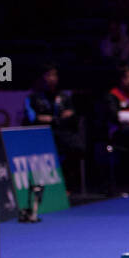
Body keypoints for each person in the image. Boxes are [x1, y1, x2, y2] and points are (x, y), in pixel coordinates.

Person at [25, 64, 84, 195]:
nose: (52, 78)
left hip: (63, 133)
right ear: (42, 78)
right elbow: (32, 118)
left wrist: (52, 119)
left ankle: (66, 184)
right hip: (42, 135)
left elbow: (72, 115)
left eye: (54, 75)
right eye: (48, 75)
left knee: (77, 147)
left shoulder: (64, 97)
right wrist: (56, 118)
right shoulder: (33, 98)